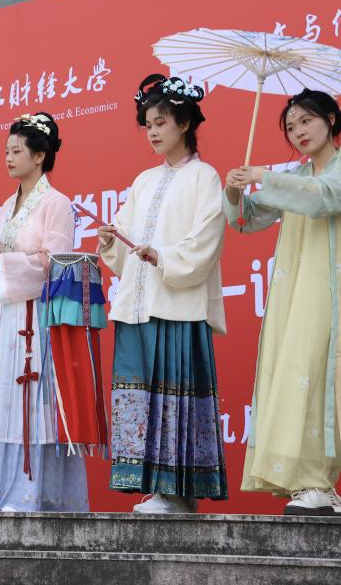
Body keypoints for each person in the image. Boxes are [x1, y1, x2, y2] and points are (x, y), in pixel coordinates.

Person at [224, 89, 341, 517]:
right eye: (290, 126)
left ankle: (320, 482)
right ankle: (309, 485)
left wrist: (264, 176)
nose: (298, 131)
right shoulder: (293, 176)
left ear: (330, 119)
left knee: (323, 373)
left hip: (332, 294)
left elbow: (319, 197)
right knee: (293, 375)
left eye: (306, 120)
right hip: (293, 294)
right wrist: (234, 192)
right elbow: (246, 220)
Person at [99, 75, 228, 514]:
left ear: (185, 123)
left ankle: (176, 491)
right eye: (148, 124)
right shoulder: (143, 180)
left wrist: (164, 256)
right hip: (138, 306)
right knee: (142, 395)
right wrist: (111, 240)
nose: (152, 131)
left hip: (177, 305)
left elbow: (206, 240)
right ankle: (160, 489)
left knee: (174, 397)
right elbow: (123, 244)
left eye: (161, 122)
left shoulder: (205, 177)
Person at [0, 112, 88, 512]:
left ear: (39, 156)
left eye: (17, 150)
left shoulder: (56, 204)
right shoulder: (4, 208)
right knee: (2, 401)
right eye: (7, 151)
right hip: (4, 316)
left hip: (35, 318)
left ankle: (29, 494)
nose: (9, 157)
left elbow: (53, 263)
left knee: (31, 400)